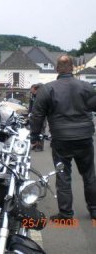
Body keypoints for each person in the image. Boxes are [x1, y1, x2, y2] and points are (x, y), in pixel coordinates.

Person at [30, 55, 96, 221]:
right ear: (73, 68)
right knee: (89, 175)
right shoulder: (86, 87)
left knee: (63, 175)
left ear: (57, 69)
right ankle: (94, 210)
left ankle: (66, 214)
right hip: (84, 137)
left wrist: (35, 136)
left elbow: (37, 115)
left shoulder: (47, 89)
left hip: (61, 139)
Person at [28, 83, 45, 152]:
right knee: (34, 131)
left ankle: (40, 147)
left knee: (41, 131)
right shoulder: (33, 96)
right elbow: (31, 106)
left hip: (41, 116)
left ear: (35, 89)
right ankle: (35, 144)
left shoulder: (41, 96)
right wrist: (29, 113)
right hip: (33, 116)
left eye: (32, 90)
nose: (31, 91)